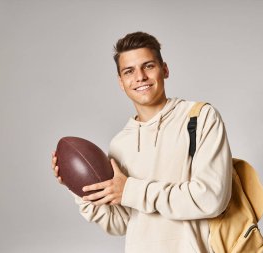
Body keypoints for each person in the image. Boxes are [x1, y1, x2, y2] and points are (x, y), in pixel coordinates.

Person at [51, 31, 233, 253]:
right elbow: (120, 224)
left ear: (164, 69)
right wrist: (79, 188)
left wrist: (131, 190)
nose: (140, 77)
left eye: (148, 66)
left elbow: (211, 199)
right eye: (129, 71)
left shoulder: (199, 117)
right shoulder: (120, 144)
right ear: (121, 82)